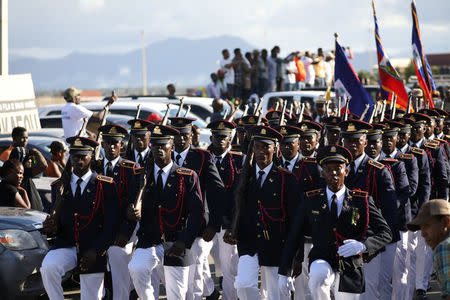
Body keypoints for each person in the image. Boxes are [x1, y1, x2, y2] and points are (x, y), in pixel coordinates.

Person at [278, 144, 392, 299]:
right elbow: (294, 235)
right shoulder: (311, 200)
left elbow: (386, 233)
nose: (334, 173)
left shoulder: (361, 201)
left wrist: (363, 245)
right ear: (322, 173)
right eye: (328, 169)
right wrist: (284, 272)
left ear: (346, 171)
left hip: (350, 264)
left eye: (338, 168)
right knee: (318, 277)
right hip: (322, 257)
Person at [127, 124, 204, 300]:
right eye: (155, 145)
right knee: (136, 268)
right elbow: (130, 204)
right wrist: (131, 211)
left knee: (177, 294)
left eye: (163, 145)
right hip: (149, 239)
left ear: (172, 145)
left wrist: (184, 241)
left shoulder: (187, 176)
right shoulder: (141, 176)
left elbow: (197, 212)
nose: (159, 149)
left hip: (176, 242)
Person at [226, 125, 301, 300]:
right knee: (243, 285)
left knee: (277, 294)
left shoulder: (286, 178)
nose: (261, 151)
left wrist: (297, 255)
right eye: (257, 147)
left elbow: (296, 219)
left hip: (277, 246)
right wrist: (231, 227)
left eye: (266, 147)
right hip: (249, 243)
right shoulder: (244, 176)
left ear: (275, 150)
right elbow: (234, 207)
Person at [40, 136, 120, 300]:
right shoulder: (59, 186)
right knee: (48, 267)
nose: (78, 160)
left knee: (92, 297)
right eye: (75, 155)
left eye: (83, 156)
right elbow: (58, 224)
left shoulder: (105, 185)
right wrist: (52, 225)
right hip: (67, 245)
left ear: (92, 157)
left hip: (93, 247)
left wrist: (96, 251)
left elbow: (111, 226)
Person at [339, 120, 400, 300]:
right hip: (341, 240)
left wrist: (373, 246)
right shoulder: (336, 168)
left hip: (368, 241)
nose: (351, 145)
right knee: (342, 292)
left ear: (365, 142)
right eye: (348, 141)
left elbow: (389, 213)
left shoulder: (379, 171)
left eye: (356, 141)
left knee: (370, 290)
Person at [169, 117, 225, 300]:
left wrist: (214, 225)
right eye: (176, 136)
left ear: (192, 135)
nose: (180, 140)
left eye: (185, 135)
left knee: (195, 273)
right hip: (172, 226)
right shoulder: (164, 157)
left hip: (199, 227)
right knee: (175, 277)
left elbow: (218, 192)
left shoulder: (202, 157)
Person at [91, 124, 139, 300]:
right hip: (97, 231)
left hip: (121, 232)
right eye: (107, 142)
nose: (111, 146)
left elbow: (133, 205)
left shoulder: (130, 168)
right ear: (102, 144)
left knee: (120, 278)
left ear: (121, 145)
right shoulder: (93, 167)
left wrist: (125, 233)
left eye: (115, 143)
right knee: (95, 281)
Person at [207, 119, 244, 300]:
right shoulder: (204, 158)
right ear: (211, 138)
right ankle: (208, 291)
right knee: (197, 263)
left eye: (224, 137)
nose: (220, 140)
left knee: (230, 268)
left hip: (228, 223)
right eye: (217, 136)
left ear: (230, 138)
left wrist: (235, 225)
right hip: (206, 222)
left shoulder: (239, 160)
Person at [407, 199, 450, 299]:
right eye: (421, 228)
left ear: (445, 222)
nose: (422, 233)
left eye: (427, 226)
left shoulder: (444, 248)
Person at [9, 146, 48, 211]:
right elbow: (43, 166)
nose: (30, 161)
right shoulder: (22, 174)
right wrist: (36, 152)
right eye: (28, 158)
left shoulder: (13, 174)